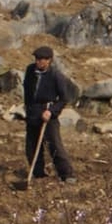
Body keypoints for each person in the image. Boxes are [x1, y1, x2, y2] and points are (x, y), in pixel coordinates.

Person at [22, 46, 76, 182]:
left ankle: (67, 174)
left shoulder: (56, 76)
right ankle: (38, 173)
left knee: (54, 145)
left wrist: (51, 111)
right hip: (33, 112)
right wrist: (28, 109)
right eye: (37, 59)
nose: (38, 62)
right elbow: (27, 91)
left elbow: (64, 98)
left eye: (42, 59)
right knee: (32, 146)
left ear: (49, 61)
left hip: (48, 112)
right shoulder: (30, 71)